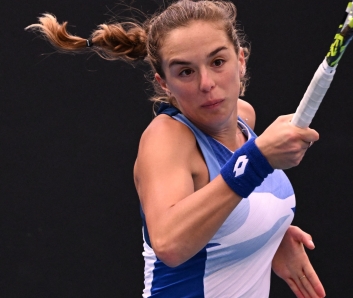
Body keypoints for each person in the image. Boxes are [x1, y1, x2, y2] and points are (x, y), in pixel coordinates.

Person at [27, 0, 325, 297]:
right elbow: (170, 244)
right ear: (164, 83)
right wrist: (257, 158)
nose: (206, 83)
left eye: (218, 62)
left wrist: (267, 234)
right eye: (185, 72)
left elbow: (224, 212)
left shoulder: (244, 118)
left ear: (241, 60)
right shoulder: (166, 138)